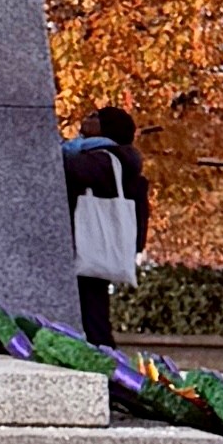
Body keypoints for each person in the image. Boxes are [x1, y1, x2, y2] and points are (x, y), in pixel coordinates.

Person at [61, 100, 147, 351]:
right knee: (93, 309)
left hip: (88, 244)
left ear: (106, 127)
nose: (86, 117)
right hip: (94, 245)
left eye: (95, 115)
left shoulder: (105, 160)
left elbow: (66, 170)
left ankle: (107, 368)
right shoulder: (115, 159)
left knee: (93, 315)